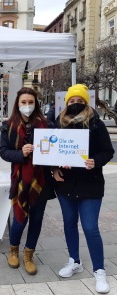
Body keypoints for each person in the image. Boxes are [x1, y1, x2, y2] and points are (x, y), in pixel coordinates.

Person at [52, 84, 114, 294]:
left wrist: (95, 161)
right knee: (69, 223)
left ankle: (99, 270)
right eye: (72, 101)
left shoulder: (96, 123)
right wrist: (55, 168)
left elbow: (108, 151)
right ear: (66, 102)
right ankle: (74, 261)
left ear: (86, 102)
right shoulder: (59, 123)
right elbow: (52, 152)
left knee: (90, 227)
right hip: (66, 184)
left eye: (80, 101)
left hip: (90, 183)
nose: (75, 104)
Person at [0, 87, 52, 275]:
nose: (27, 106)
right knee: (20, 220)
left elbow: (55, 151)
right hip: (20, 180)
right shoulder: (8, 126)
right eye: (24, 102)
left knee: (36, 220)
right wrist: (21, 153)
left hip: (41, 181)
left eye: (30, 102)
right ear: (17, 104)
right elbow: (4, 152)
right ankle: (13, 250)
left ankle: (29, 254)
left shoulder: (46, 125)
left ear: (35, 104)